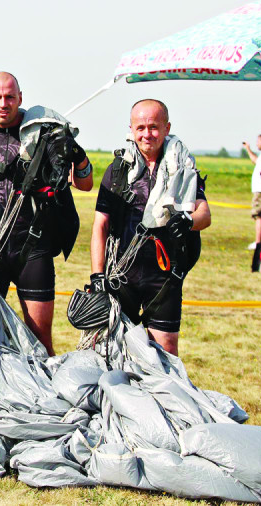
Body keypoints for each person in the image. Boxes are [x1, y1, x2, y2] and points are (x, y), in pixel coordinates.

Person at [0, 72, 92, 406]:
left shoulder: (44, 135)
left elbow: (85, 184)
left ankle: (51, 410)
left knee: (40, 337)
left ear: (20, 98)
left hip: (34, 248)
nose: (3, 103)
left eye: (9, 97)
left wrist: (77, 153)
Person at [90, 99, 211, 356]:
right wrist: (97, 275)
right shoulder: (118, 170)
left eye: (154, 127)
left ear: (167, 128)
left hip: (164, 277)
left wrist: (189, 221)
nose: (147, 134)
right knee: (115, 351)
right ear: (131, 130)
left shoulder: (184, 169)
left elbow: (204, 213)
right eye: (141, 127)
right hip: (122, 274)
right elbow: (100, 225)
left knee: (166, 350)